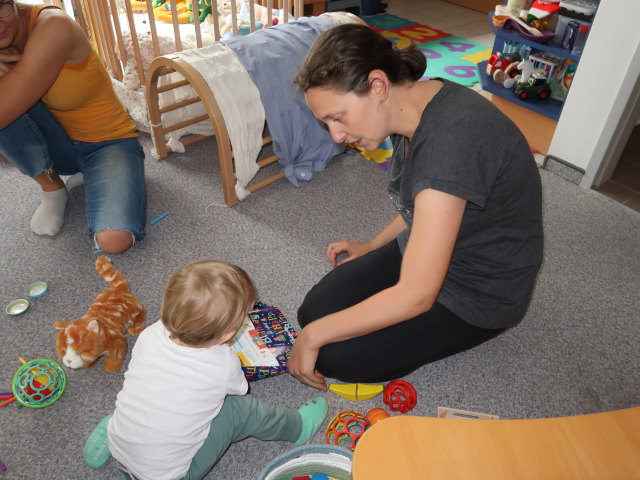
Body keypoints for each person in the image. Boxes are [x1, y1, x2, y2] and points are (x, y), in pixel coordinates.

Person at [288, 24, 544, 390]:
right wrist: (373, 246)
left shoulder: (451, 144)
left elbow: (417, 296)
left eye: (337, 117)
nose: (336, 136)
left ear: (378, 85)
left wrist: (312, 337)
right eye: (327, 122)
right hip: (437, 248)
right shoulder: (413, 105)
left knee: (330, 353)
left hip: (479, 290)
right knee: (313, 311)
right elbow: (421, 203)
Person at [83, 260, 329, 480]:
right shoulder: (222, 363)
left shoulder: (150, 334)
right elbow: (239, 390)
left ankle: (113, 431)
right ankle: (296, 427)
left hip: (123, 453)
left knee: (148, 393)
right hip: (170, 476)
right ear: (229, 334)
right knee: (239, 411)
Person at [0, 1, 146, 254]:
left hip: (110, 143)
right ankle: (52, 187)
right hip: (59, 146)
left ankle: (96, 174)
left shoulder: (54, 25)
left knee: (114, 240)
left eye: (0, 8)